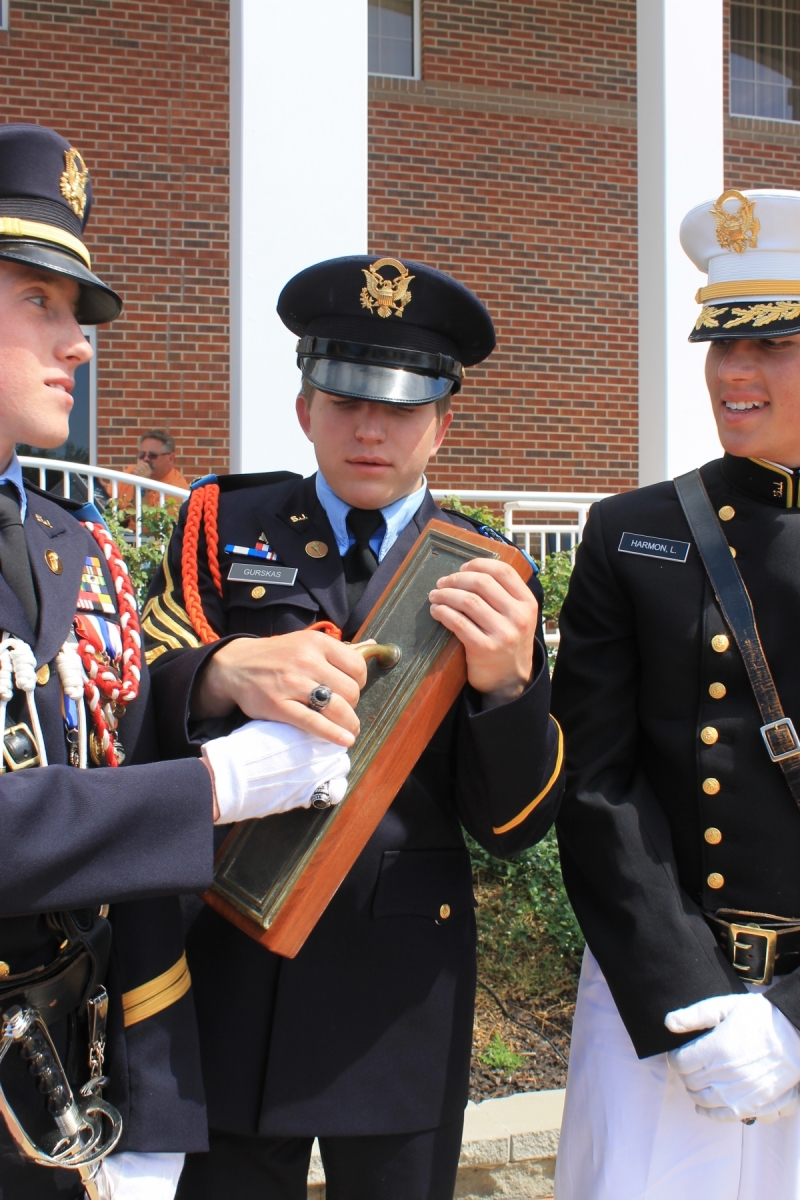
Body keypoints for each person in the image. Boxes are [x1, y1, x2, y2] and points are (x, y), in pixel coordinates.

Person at [143, 253, 565, 1200]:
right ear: (305, 409)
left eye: (403, 409)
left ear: (442, 424)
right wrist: (219, 672)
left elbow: (512, 826)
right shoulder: (223, 524)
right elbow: (136, 712)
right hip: (233, 959)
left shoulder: (488, 572)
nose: (370, 429)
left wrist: (508, 688)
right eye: (344, 401)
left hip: (397, 991)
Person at [0, 124, 351, 1200]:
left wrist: (209, 677)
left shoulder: (66, 537)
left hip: (55, 1077)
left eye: (78, 311)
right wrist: (217, 786)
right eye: (39, 301)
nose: (79, 345)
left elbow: (93, 748)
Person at [552, 187, 800, 1200]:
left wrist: (792, 1018)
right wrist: (686, 996)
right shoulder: (633, 531)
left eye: (772, 344)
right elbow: (595, 784)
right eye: (720, 343)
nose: (734, 372)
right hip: (661, 1004)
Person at [115, 430, 189, 514]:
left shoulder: (176, 490)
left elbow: (144, 521)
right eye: (142, 454)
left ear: (170, 458)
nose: (145, 459)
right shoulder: (132, 471)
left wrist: (142, 484)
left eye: (152, 455)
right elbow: (109, 498)